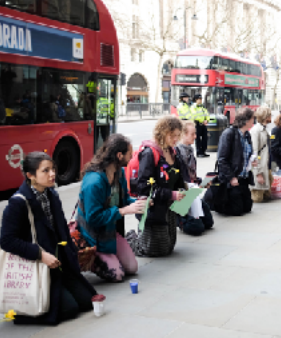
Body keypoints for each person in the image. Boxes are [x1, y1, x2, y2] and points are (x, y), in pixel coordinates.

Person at [1, 152, 97, 324]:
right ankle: (22, 313)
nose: (52, 174)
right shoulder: (18, 202)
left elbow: (61, 230)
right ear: (30, 176)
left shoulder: (51, 194)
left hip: (59, 263)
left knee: (87, 301)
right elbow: (6, 240)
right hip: (38, 265)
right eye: (45, 171)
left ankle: (61, 290)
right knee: (69, 309)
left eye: (53, 169)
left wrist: (72, 253)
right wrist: (40, 254)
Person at [128, 117, 206, 252]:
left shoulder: (173, 152)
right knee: (154, 249)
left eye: (177, 135)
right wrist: (171, 194)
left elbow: (180, 179)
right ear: (162, 132)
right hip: (155, 206)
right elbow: (145, 186)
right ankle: (130, 239)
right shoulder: (149, 153)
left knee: (168, 246)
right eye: (172, 135)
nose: (175, 139)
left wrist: (189, 188)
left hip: (169, 206)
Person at [77, 134, 142, 281]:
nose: (131, 158)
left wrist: (139, 203)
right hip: (92, 235)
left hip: (110, 231)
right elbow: (93, 218)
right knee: (117, 275)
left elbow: (124, 200)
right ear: (119, 155)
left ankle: (110, 254)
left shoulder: (119, 173)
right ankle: (93, 260)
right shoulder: (94, 181)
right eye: (129, 155)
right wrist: (123, 211)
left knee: (132, 268)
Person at [216, 107, 256, 216]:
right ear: (246, 121)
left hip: (243, 178)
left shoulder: (247, 135)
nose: (254, 121)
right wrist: (231, 177)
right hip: (232, 178)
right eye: (253, 118)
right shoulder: (229, 133)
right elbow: (222, 159)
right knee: (236, 210)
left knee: (247, 207)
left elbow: (247, 154)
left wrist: (252, 160)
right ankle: (218, 203)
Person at [176, 120, 214, 232]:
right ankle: (180, 218)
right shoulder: (177, 152)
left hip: (193, 191)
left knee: (208, 223)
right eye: (192, 134)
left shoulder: (190, 151)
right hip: (184, 193)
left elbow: (192, 176)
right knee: (197, 228)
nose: (196, 136)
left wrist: (202, 182)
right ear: (183, 134)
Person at [250, 107, 273, 203]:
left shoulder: (264, 129)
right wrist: (258, 173)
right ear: (265, 117)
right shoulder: (256, 131)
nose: (271, 117)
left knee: (267, 189)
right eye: (269, 115)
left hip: (266, 163)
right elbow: (254, 152)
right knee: (257, 198)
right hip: (260, 164)